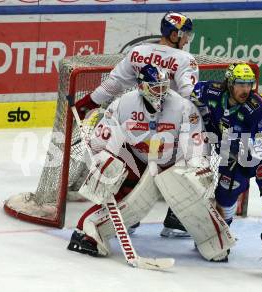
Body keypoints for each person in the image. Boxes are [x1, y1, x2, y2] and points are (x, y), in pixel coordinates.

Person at [68, 65, 234, 262]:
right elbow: (104, 137)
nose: (161, 92)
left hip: (172, 162)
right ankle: (87, 231)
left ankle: (212, 241)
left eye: (164, 86)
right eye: (155, 87)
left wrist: (197, 166)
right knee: (130, 200)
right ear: (142, 87)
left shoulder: (182, 107)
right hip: (138, 158)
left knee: (192, 196)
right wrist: (100, 157)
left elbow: (195, 142)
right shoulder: (124, 104)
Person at [74, 11, 198, 237]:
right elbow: (190, 96)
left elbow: (114, 85)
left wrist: (87, 103)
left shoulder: (138, 52)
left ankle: (128, 217)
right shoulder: (184, 60)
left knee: (130, 161)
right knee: (188, 164)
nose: (187, 39)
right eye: (185, 34)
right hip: (170, 128)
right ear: (173, 34)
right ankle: (175, 218)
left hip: (138, 122)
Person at [190, 63, 262, 277]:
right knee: (224, 199)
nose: (246, 89)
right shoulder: (212, 91)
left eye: (249, 84)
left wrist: (244, 150)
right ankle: (220, 237)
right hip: (233, 156)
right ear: (229, 83)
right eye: (241, 84)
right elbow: (189, 93)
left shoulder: (257, 107)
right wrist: (203, 118)